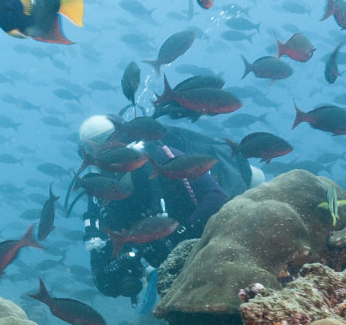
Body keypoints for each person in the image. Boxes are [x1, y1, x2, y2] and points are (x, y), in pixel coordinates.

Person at [78, 116, 259, 303]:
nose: (102, 153)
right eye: (91, 149)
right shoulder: (99, 190)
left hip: (213, 232)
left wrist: (177, 237)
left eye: (107, 143)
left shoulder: (161, 157)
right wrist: (118, 276)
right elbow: (101, 270)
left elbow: (216, 197)